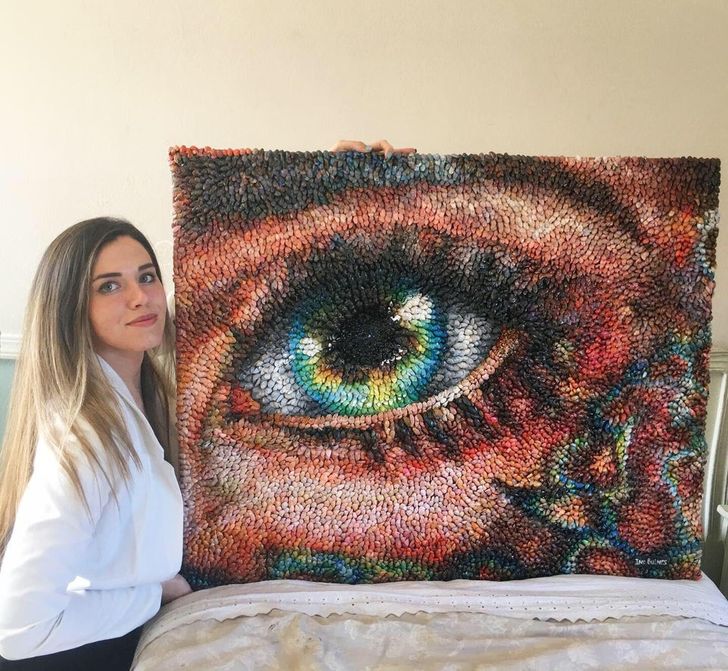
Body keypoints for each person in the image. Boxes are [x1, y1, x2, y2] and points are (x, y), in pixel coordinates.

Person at [0, 140, 416, 670]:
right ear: (69, 309)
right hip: (74, 655)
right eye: (109, 286)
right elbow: (18, 628)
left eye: (146, 276)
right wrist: (153, 595)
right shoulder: (84, 443)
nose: (140, 297)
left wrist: (336, 182)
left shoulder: (153, 393)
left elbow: (253, 303)